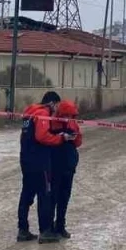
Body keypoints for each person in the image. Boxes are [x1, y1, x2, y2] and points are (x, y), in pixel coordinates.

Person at [17, 91, 61, 243]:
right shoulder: (42, 114)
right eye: (57, 106)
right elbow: (42, 137)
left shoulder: (29, 115)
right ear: (52, 103)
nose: (57, 109)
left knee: (26, 194)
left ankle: (22, 229)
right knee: (44, 195)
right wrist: (59, 138)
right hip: (40, 161)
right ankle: (45, 231)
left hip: (26, 159)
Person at [50, 99, 83, 239]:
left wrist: (73, 138)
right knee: (52, 197)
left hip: (68, 167)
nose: (68, 118)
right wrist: (61, 137)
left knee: (64, 198)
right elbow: (46, 139)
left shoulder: (73, 124)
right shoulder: (51, 122)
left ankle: (60, 225)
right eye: (66, 115)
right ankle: (49, 226)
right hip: (55, 166)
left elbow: (79, 141)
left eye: (71, 116)